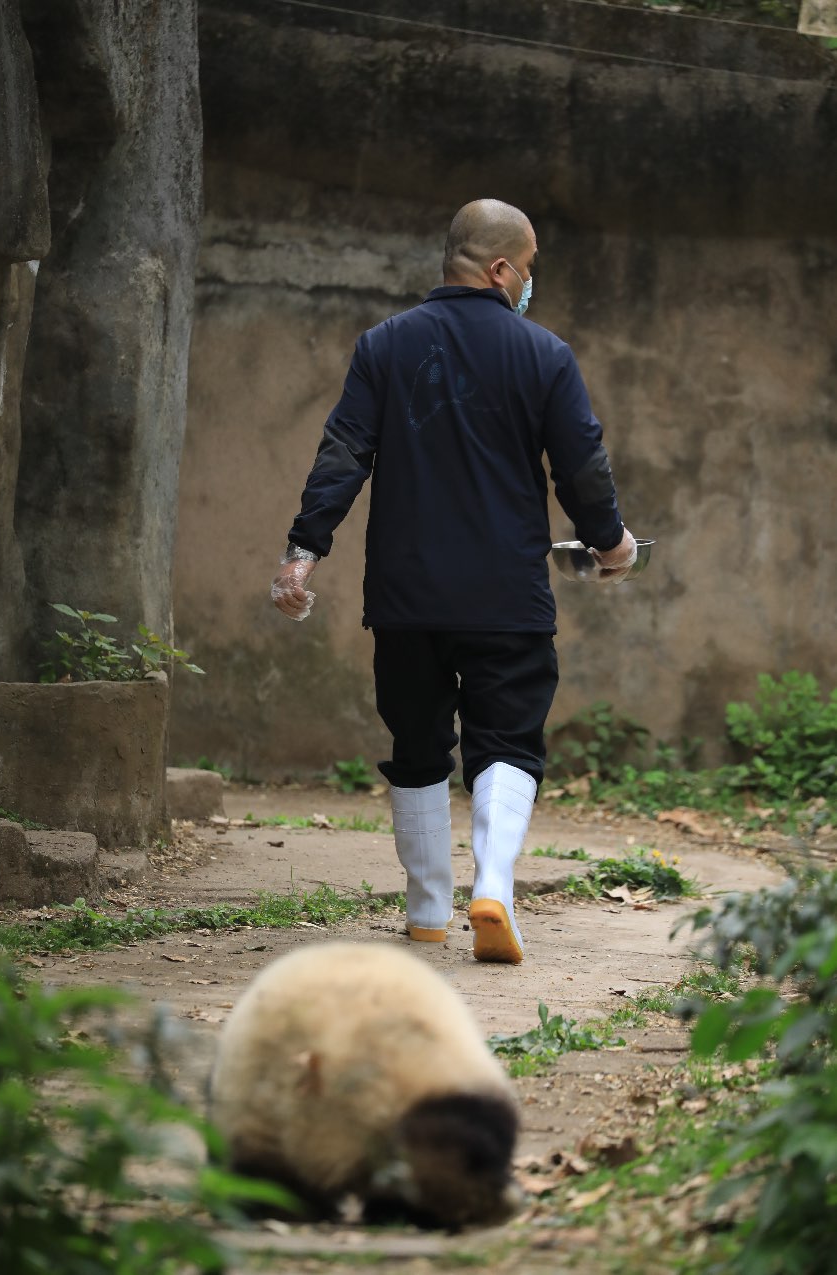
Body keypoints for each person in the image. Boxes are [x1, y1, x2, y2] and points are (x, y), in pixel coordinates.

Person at [271, 198, 636, 965]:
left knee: (417, 741)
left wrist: (306, 549)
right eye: (528, 269)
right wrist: (612, 544)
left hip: (406, 596)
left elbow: (345, 449)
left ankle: (428, 908)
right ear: (501, 269)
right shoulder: (544, 355)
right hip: (508, 594)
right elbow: (582, 466)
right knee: (507, 739)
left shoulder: (384, 346)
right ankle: (493, 886)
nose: (529, 284)